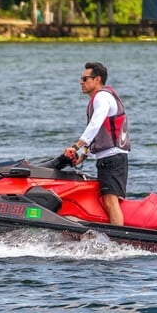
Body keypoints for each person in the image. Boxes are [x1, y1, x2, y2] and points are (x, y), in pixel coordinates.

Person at [64, 62, 130, 226]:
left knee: (110, 201)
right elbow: (95, 132)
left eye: (85, 78)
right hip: (108, 157)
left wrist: (76, 146)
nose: (81, 82)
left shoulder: (102, 97)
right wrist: (83, 156)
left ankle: (118, 243)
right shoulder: (99, 98)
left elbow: (95, 124)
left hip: (113, 158)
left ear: (97, 79)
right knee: (107, 201)